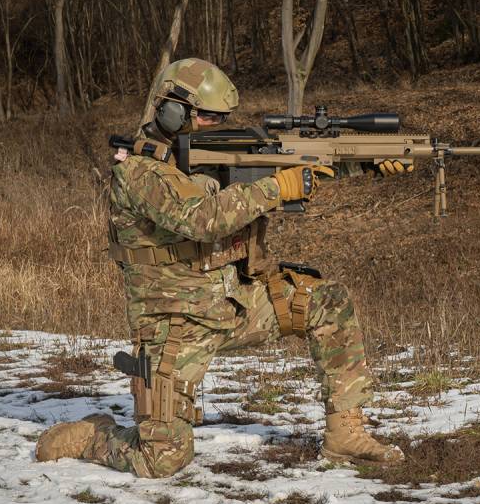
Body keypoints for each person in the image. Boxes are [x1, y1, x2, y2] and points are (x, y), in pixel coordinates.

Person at [35, 58, 409, 478]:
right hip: (174, 326)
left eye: (220, 117)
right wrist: (276, 188)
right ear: (171, 108)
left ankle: (346, 435)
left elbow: (290, 165)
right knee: (161, 460)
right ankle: (93, 437)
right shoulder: (137, 171)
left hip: (232, 305)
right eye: (207, 116)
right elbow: (201, 217)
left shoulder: (210, 155)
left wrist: (363, 161)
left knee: (326, 300)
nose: (215, 125)